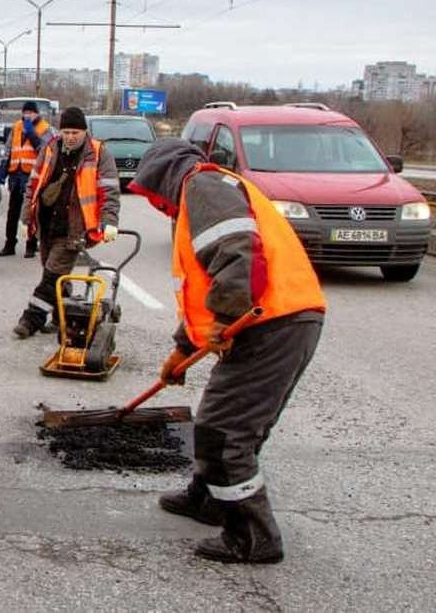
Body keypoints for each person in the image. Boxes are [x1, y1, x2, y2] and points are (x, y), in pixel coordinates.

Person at [130, 139, 326, 564]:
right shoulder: (208, 189)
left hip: (271, 322)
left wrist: (225, 319)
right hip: (278, 320)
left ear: (164, 175)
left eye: (152, 193)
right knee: (225, 420)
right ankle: (207, 499)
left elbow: (238, 254)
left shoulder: (203, 186)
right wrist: (181, 351)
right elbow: (205, 292)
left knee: (224, 432)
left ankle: (253, 538)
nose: (156, 204)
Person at [13, 107, 120, 338]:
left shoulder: (99, 154)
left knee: (51, 276)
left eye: (75, 132)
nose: (70, 137)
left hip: (75, 227)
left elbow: (109, 191)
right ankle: (64, 317)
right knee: (57, 275)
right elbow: (32, 186)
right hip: (47, 224)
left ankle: (31, 319)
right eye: (66, 132)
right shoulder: (50, 149)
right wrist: (26, 218)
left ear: (84, 132)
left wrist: (109, 221)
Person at [0, 101, 53, 258]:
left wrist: (32, 135)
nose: (27, 115)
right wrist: (4, 167)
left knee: (31, 211)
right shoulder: (16, 126)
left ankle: (31, 245)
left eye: (31, 112)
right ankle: (10, 244)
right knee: (13, 211)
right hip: (16, 174)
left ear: (37, 113)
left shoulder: (44, 128)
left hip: (33, 175)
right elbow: (9, 148)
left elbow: (46, 150)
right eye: (25, 112)